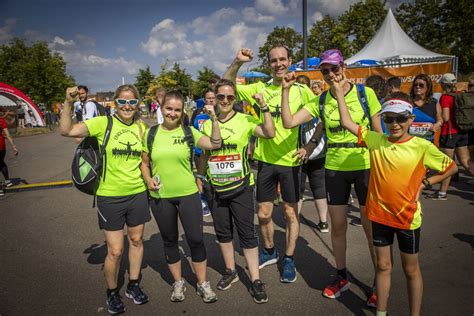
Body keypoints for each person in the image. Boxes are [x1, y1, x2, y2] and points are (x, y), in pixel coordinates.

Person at [335, 85, 457, 316]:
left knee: (411, 270)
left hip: (407, 219)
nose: (395, 124)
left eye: (401, 118)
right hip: (379, 216)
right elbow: (346, 122)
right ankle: (381, 312)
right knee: (383, 266)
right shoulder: (376, 140)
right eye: (389, 119)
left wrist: (425, 184)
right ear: (383, 119)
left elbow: (450, 167)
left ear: (410, 119)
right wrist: (340, 94)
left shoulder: (421, 146)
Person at [280, 49, 382, 305]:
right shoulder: (322, 100)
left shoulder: (364, 94)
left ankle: (379, 282)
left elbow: (380, 137)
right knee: (338, 227)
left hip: (365, 165)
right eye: (325, 71)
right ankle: (341, 276)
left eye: (334, 68)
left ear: (344, 67)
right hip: (335, 168)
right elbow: (289, 122)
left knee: (370, 229)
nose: (330, 74)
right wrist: (285, 90)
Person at [224, 46, 314, 283]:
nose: (278, 64)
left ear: (290, 61)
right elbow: (226, 87)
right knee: (263, 215)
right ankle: (269, 250)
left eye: (282, 59)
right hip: (265, 161)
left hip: (291, 162)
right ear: (269, 64)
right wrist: (237, 62)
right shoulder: (259, 87)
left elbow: (320, 117)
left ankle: (289, 259)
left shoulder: (302, 90)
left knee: (289, 214)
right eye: (273, 61)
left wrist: (310, 146)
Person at [60, 84, 150, 314]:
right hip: (110, 196)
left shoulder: (141, 127)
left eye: (132, 102)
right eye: (122, 102)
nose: (127, 106)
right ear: (114, 104)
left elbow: (143, 161)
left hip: (137, 193)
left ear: (138, 104)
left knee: (137, 240)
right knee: (116, 250)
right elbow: (67, 130)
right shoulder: (103, 123)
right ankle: (112, 292)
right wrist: (68, 103)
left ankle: (133, 285)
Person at [140, 90, 221, 304]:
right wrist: (148, 180)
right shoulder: (151, 134)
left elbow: (215, 144)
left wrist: (214, 119)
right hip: (161, 196)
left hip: (188, 194)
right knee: (169, 240)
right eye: (169, 109)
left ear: (182, 111)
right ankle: (178, 282)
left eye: (177, 110)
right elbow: (145, 163)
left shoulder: (189, 132)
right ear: (161, 108)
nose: (173, 113)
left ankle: (203, 283)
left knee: (195, 239)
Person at [201, 79, 274, 303]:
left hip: (241, 186)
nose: (225, 100)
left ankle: (255, 279)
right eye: (220, 97)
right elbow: (204, 155)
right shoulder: (205, 123)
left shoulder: (244, 119)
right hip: (215, 187)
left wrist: (264, 107)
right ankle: (231, 271)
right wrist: (201, 178)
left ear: (235, 99)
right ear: (215, 98)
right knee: (223, 232)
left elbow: (269, 133)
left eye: (230, 97)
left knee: (247, 233)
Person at [428, 73, 473, 200]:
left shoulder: (445, 97)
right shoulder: (460, 95)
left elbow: (446, 118)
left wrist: (439, 116)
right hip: (462, 132)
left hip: (449, 134)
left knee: (447, 164)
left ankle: (442, 193)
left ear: (443, 84)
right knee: (465, 162)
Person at [193, 89, 217, 216]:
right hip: (199, 151)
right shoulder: (198, 116)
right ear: (204, 100)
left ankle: (213, 198)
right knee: (200, 175)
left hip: (215, 152)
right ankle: (202, 200)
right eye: (208, 98)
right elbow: (192, 130)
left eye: (213, 97)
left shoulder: (220, 115)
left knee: (213, 175)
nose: (211, 100)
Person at [409, 74, 443, 142]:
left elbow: (440, 119)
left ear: (427, 87)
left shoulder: (434, 103)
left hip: (428, 142)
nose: (418, 87)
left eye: (421, 85)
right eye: (415, 85)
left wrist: (437, 124)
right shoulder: (407, 102)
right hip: (410, 143)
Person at [0, 115, 18, 195]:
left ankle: (0, 189)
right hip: (1, 146)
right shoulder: (1, 120)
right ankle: (7, 181)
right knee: (1, 163)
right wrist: (14, 147)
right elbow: (8, 135)